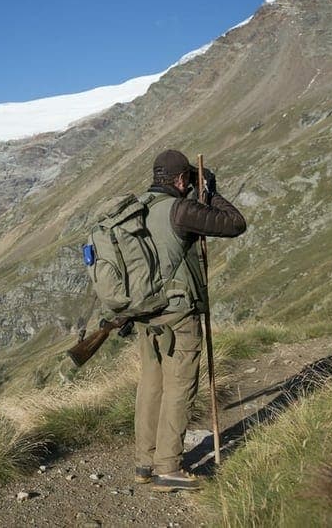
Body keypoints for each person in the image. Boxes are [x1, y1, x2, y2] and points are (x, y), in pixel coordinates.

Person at [133, 149, 246, 492]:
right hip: (178, 314)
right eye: (188, 181)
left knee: (151, 385)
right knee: (180, 385)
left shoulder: (136, 209)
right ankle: (167, 468)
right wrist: (210, 192)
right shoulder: (181, 210)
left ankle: (144, 462)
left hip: (144, 314)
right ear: (182, 180)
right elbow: (234, 223)